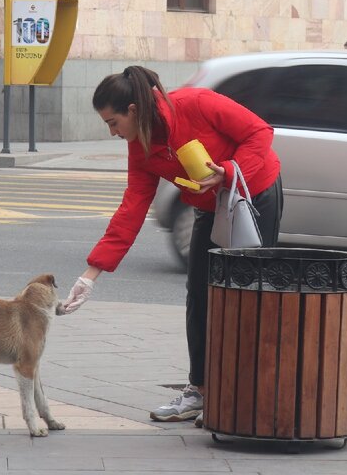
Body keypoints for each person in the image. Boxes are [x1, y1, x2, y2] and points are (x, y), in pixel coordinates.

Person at [59, 65, 283, 422]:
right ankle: (200, 390)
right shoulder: (141, 148)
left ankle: (244, 394)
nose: (113, 132)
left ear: (132, 110)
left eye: (113, 122)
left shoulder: (194, 103)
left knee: (249, 294)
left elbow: (260, 132)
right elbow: (131, 210)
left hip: (251, 193)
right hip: (210, 207)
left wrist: (227, 170)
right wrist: (90, 275)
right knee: (199, 294)